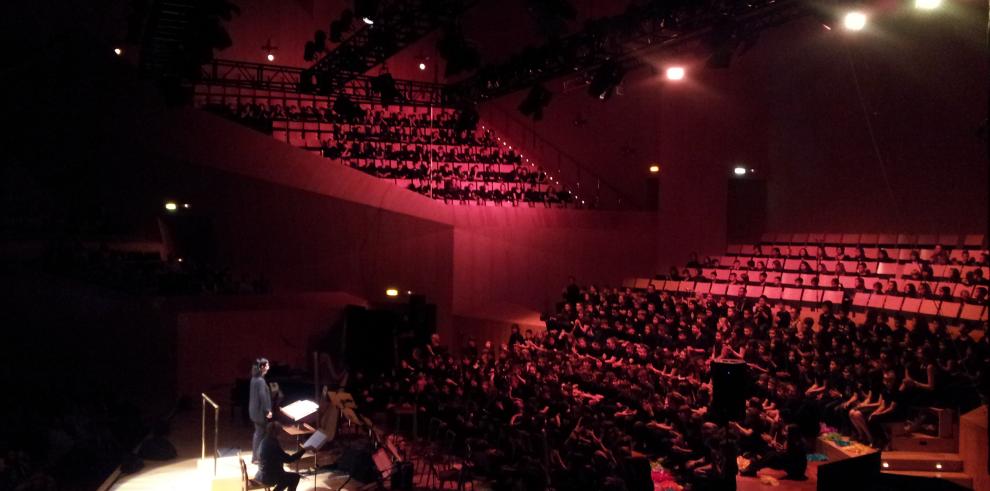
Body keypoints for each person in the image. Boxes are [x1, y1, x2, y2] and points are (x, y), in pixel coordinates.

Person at [256, 421, 313, 491]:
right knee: (295, 477)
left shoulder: (265, 440)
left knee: (287, 478)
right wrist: (304, 450)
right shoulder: (273, 444)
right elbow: (289, 459)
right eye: (279, 432)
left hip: (261, 473)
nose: (281, 434)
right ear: (275, 433)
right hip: (269, 476)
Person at [250, 357, 273, 463]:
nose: (269, 367)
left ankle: (257, 456)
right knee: (260, 434)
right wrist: (268, 410)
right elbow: (262, 396)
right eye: (267, 365)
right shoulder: (260, 381)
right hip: (259, 413)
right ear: (262, 367)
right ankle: (256, 457)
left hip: (254, 411)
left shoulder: (254, 379)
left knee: (258, 433)